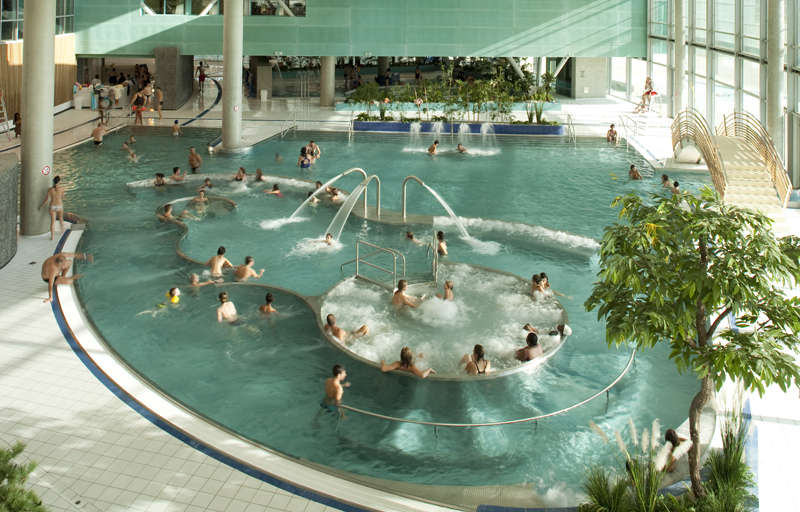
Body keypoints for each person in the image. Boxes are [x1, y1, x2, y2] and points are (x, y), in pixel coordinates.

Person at [39, 176, 66, 240]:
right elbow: (63, 198)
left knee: (52, 222)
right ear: (59, 181)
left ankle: (52, 236)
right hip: (59, 206)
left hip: (52, 206)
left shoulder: (50, 189)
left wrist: (41, 206)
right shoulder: (62, 189)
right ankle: (62, 231)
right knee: (61, 219)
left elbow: (47, 199)